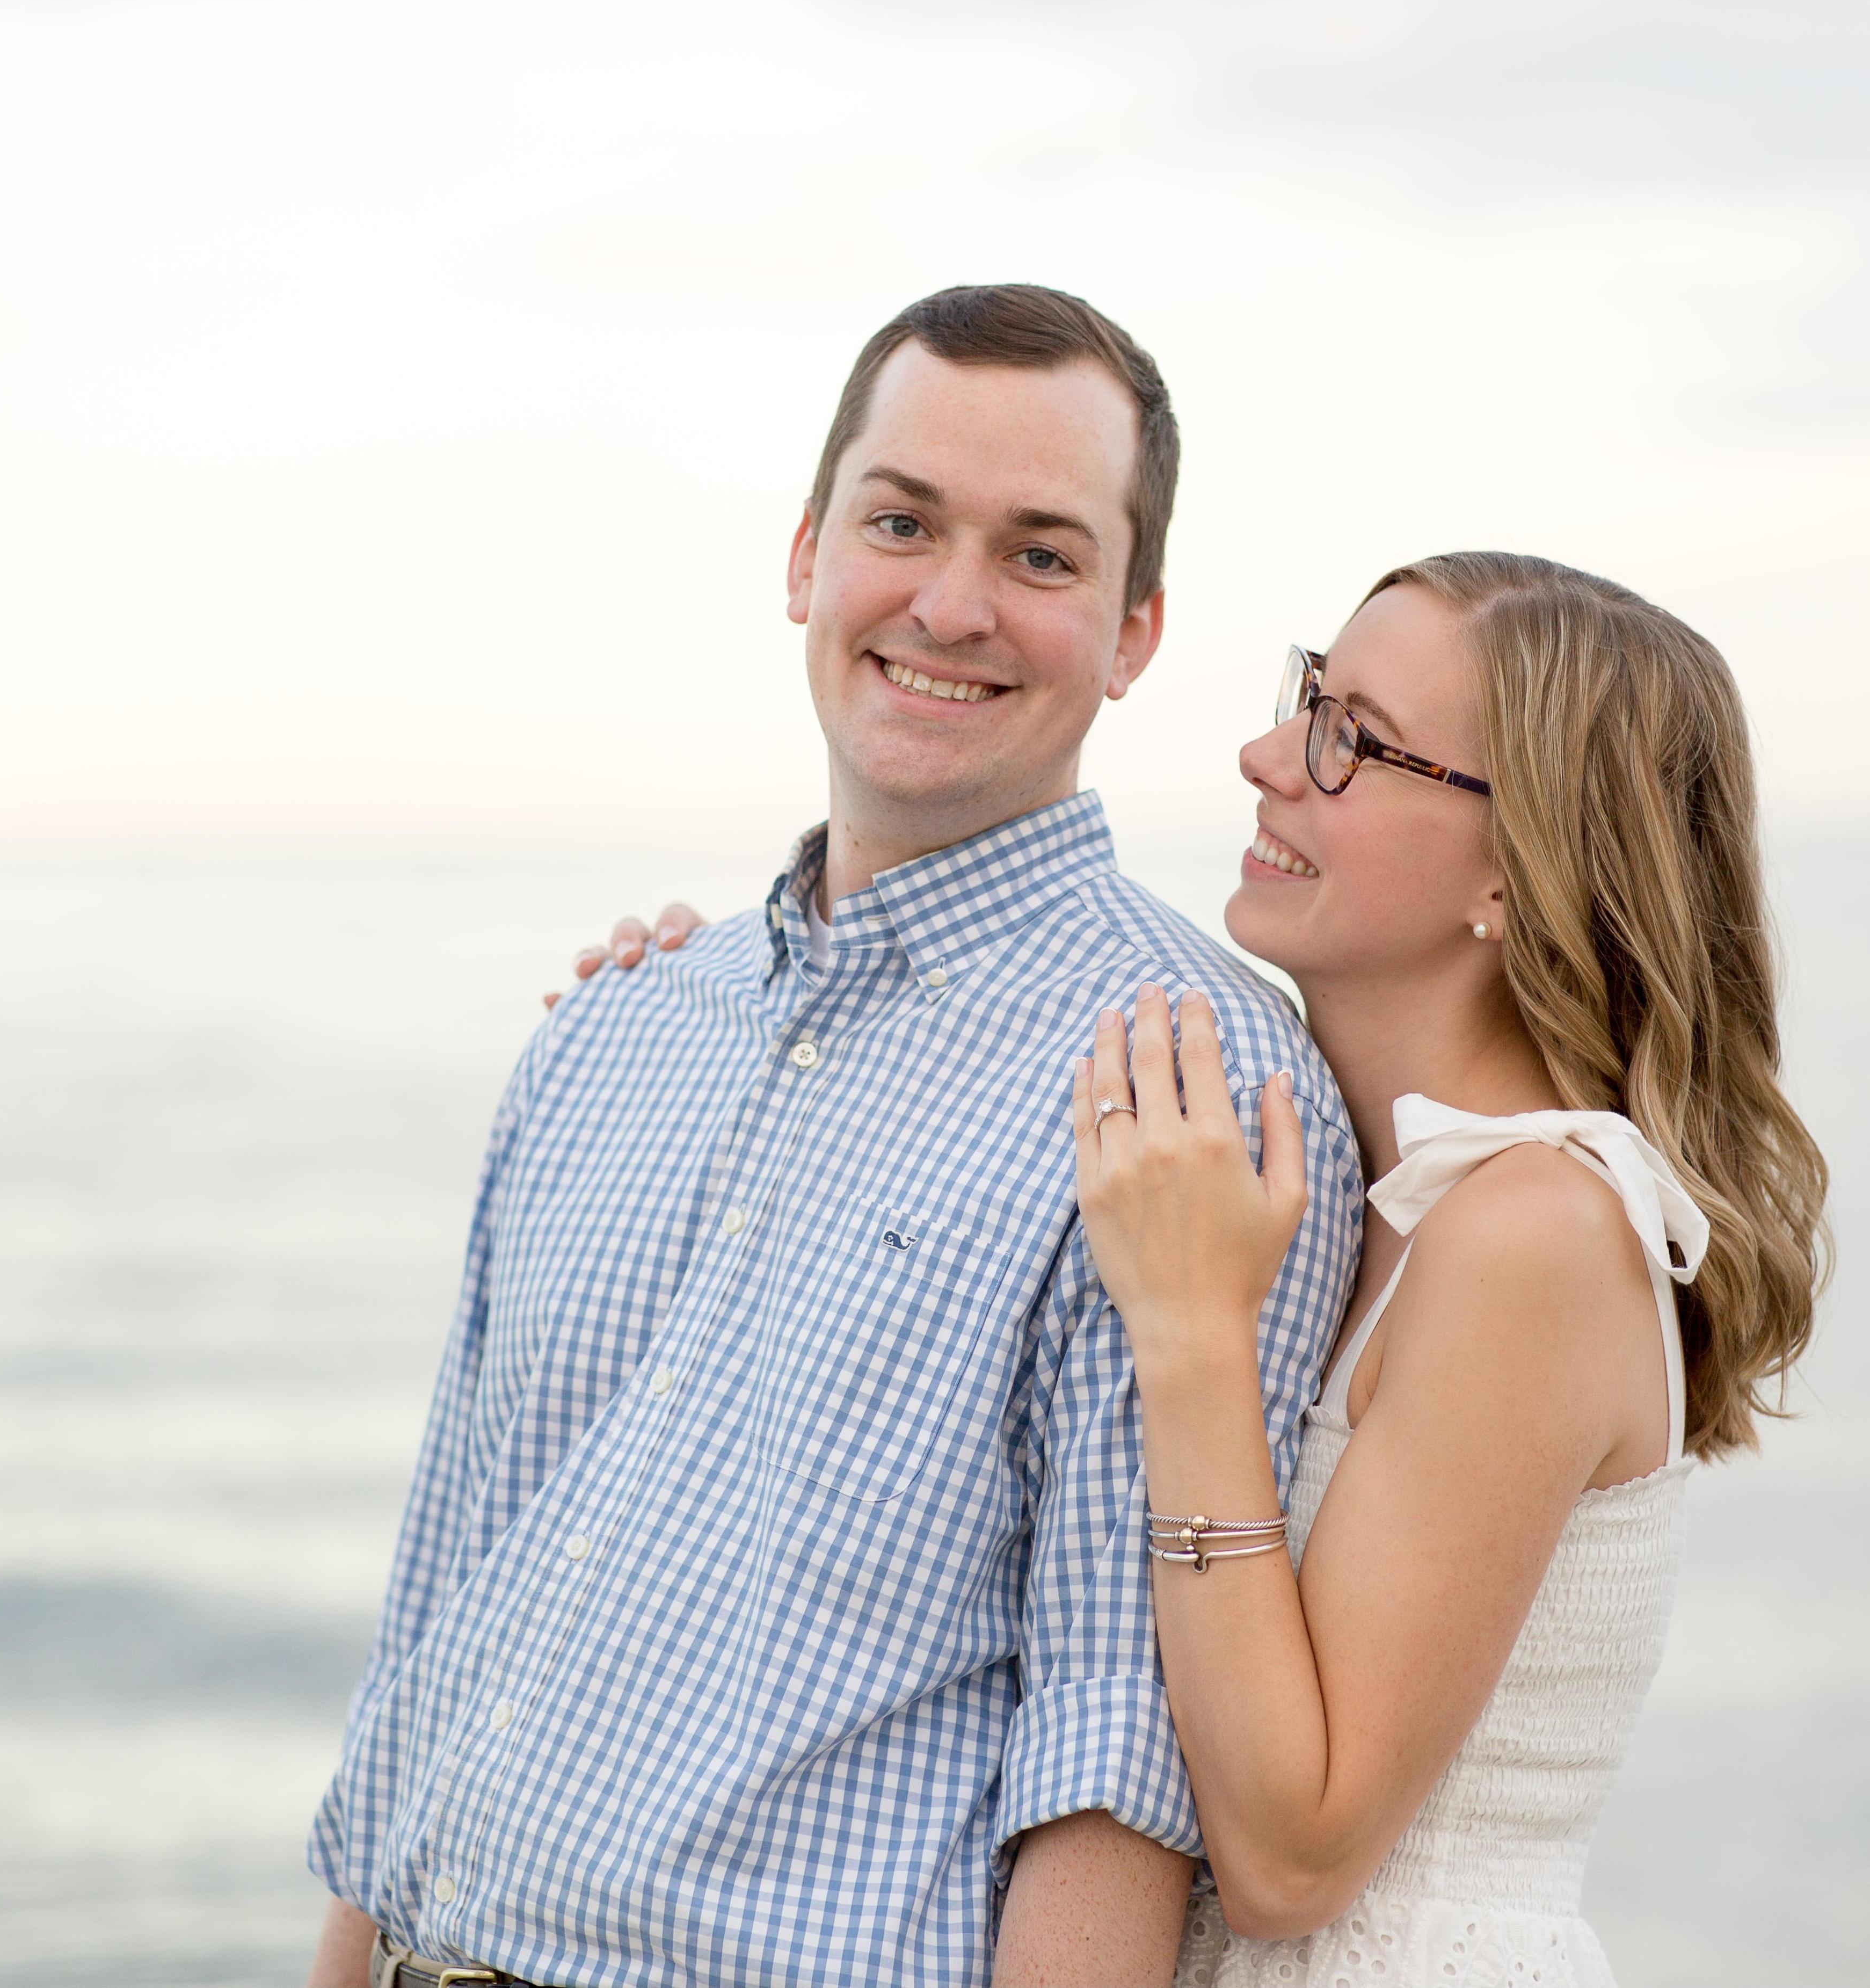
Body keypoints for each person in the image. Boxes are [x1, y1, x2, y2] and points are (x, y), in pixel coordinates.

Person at [303, 285, 1366, 1988]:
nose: (950, 604)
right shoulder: (620, 1033)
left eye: (1040, 555)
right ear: (806, 558)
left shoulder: (1186, 1083)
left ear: (1134, 630)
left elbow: (1113, 1761)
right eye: (902, 523)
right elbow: (447, 1593)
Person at [586, 553, 1829, 1985]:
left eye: (1350, 739)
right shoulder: (1350, 1186)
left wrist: (1189, 1339)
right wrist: (711, 1004)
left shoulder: (1529, 1233)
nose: (1265, 758)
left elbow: (1293, 1856)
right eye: (1307, 698)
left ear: (1520, 864)